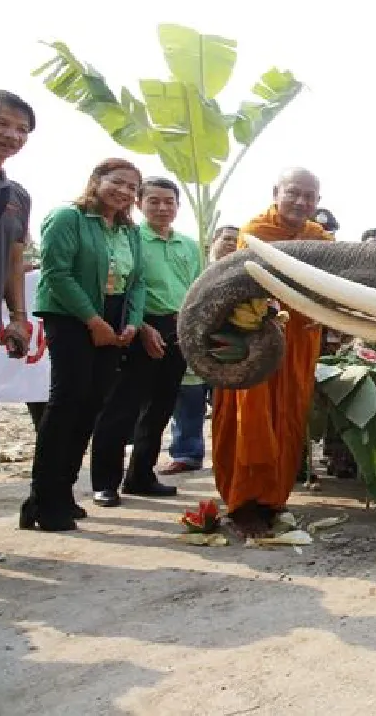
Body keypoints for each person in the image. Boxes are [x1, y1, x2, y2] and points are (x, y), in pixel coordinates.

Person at [21, 158, 145, 530]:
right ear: (96, 180)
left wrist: (132, 324)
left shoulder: (129, 232)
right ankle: (46, 500)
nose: (124, 192)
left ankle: (57, 494)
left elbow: (136, 281)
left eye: (132, 188)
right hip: (71, 318)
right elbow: (57, 273)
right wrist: (93, 321)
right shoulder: (67, 217)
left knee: (91, 406)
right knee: (66, 404)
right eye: (117, 182)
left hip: (114, 319)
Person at [211, 169, 333, 536]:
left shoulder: (319, 237)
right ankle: (242, 502)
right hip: (255, 337)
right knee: (251, 416)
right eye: (293, 193)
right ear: (275, 193)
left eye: (310, 196)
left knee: (290, 415)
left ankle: (273, 498)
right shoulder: (255, 232)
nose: (301, 202)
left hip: (300, 339)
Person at [88, 177, 202, 504]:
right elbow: (124, 288)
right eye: (154, 201)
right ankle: (105, 483)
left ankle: (140, 475)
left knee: (161, 408)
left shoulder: (189, 245)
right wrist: (140, 327)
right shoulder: (130, 238)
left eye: (169, 201)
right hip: (137, 329)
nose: (162, 207)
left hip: (179, 330)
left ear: (178, 207)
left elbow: (196, 287)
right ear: (139, 204)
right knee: (121, 408)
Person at [160, 224, 238, 475]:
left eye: (237, 241)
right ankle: (186, 455)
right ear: (213, 241)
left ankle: (230, 456)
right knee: (188, 403)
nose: (231, 244)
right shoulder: (196, 269)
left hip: (228, 349)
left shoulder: (244, 272)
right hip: (194, 347)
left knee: (227, 407)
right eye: (226, 238)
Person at [0, 90, 34, 398]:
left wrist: (17, 318)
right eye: (1, 123)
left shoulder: (17, 196)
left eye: (22, 130)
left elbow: (14, 261)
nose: (12, 135)